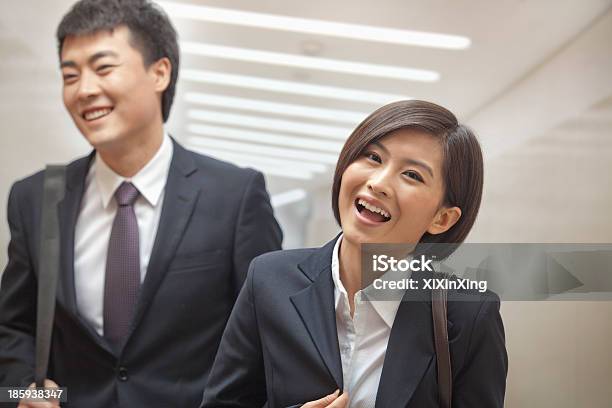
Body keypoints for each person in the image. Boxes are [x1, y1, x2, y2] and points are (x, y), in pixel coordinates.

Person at [0, 0, 282, 407]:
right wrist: (17, 392)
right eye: (70, 74)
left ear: (160, 72)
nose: (84, 89)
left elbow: (267, 336)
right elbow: (13, 327)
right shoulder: (36, 197)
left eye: (103, 67)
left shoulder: (235, 196)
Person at [201, 100, 508, 407]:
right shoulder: (269, 280)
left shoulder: (468, 312)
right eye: (373, 157)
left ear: (442, 219)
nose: (378, 183)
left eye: (412, 175)